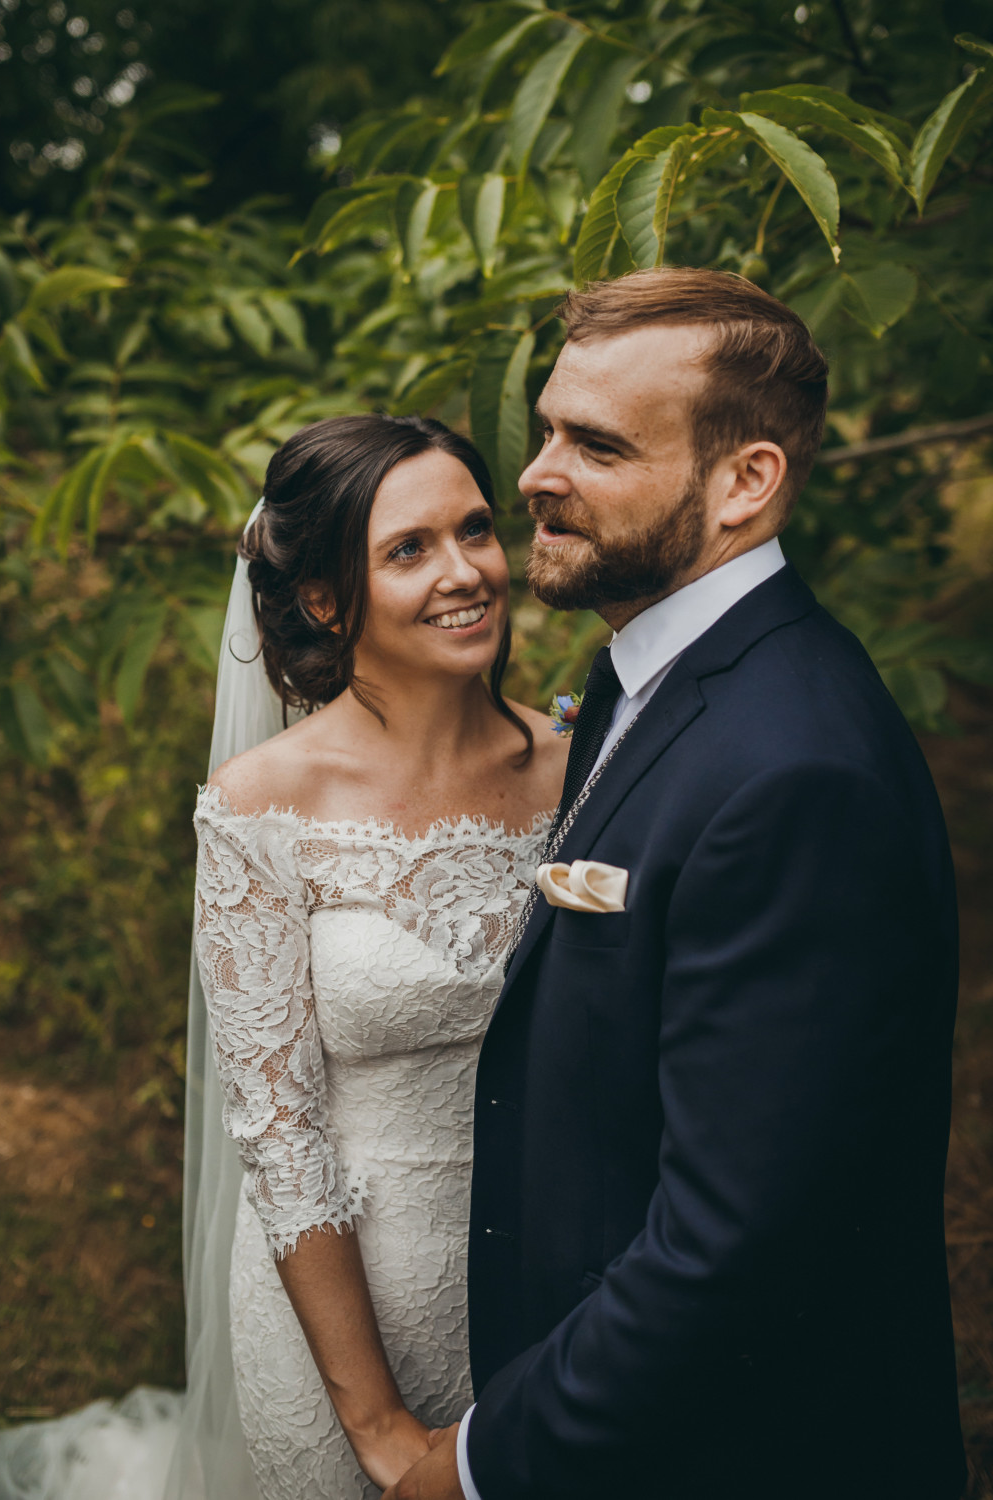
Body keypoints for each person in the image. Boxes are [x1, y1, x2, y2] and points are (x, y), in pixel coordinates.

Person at [384, 269, 967, 1500]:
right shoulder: (649, 677)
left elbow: (729, 1248)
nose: (535, 474)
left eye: (594, 444)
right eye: (545, 428)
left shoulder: (796, 771)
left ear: (743, 483)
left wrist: (484, 1460)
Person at [190, 413, 567, 1499]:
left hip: (545, 1296)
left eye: (478, 530)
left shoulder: (583, 768)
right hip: (339, 1332)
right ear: (324, 598)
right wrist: (379, 1425)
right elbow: (277, 1129)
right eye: (410, 549)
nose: (466, 573)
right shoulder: (264, 803)